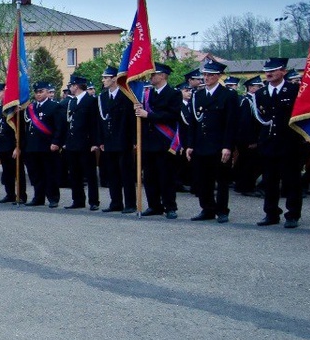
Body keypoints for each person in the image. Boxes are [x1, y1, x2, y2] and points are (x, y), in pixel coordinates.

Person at [253, 58, 305, 228]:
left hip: (289, 143)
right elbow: (259, 121)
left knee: (292, 181)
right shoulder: (260, 94)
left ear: (283, 71)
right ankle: (271, 213)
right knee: (270, 181)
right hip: (268, 143)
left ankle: (292, 214)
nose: (269, 73)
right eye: (267, 70)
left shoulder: (294, 90)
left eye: (273, 70)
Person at [185, 60, 238, 224]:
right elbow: (193, 122)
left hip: (219, 145)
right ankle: (207, 208)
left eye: (210, 75)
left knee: (221, 180)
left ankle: (222, 210)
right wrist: (190, 144)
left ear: (219, 76)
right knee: (203, 179)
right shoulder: (198, 95)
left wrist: (228, 146)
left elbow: (231, 123)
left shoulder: (228, 95)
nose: (206, 78)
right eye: (205, 75)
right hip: (201, 144)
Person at [135, 63, 182, 219]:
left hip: (164, 142)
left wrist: (148, 115)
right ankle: (154, 205)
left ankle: (170, 206)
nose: (151, 76)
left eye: (154, 74)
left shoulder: (173, 94)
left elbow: (172, 116)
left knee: (166, 176)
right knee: (149, 177)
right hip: (149, 142)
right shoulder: (147, 94)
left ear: (163, 76)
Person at [97, 66, 137, 213]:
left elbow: (131, 120)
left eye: (106, 77)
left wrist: (134, 140)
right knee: (112, 173)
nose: (104, 80)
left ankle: (130, 203)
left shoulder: (126, 95)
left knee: (126, 174)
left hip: (123, 140)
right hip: (108, 141)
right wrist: (100, 140)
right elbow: (100, 121)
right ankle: (116, 202)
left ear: (115, 78)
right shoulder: (102, 97)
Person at [24, 81, 64, 208]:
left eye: (41, 92)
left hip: (47, 146)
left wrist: (56, 142)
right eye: (36, 92)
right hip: (32, 147)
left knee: (49, 173)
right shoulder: (31, 108)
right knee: (36, 174)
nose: (38, 94)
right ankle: (38, 197)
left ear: (47, 92)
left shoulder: (54, 106)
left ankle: (53, 198)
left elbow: (60, 127)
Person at [63, 75, 100, 211]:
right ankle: (78, 200)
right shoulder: (72, 102)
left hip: (86, 143)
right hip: (73, 143)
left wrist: (95, 142)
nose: (70, 88)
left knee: (90, 174)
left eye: (71, 86)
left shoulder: (91, 101)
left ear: (76, 86)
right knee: (74, 174)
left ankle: (94, 201)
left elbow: (95, 124)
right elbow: (69, 123)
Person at [0, 83, 27, 204]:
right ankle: (10, 194)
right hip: (2, 145)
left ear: (5, 91)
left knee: (18, 172)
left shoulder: (16, 109)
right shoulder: (0, 109)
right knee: (7, 172)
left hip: (13, 145)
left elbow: (21, 130)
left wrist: (18, 147)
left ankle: (22, 195)